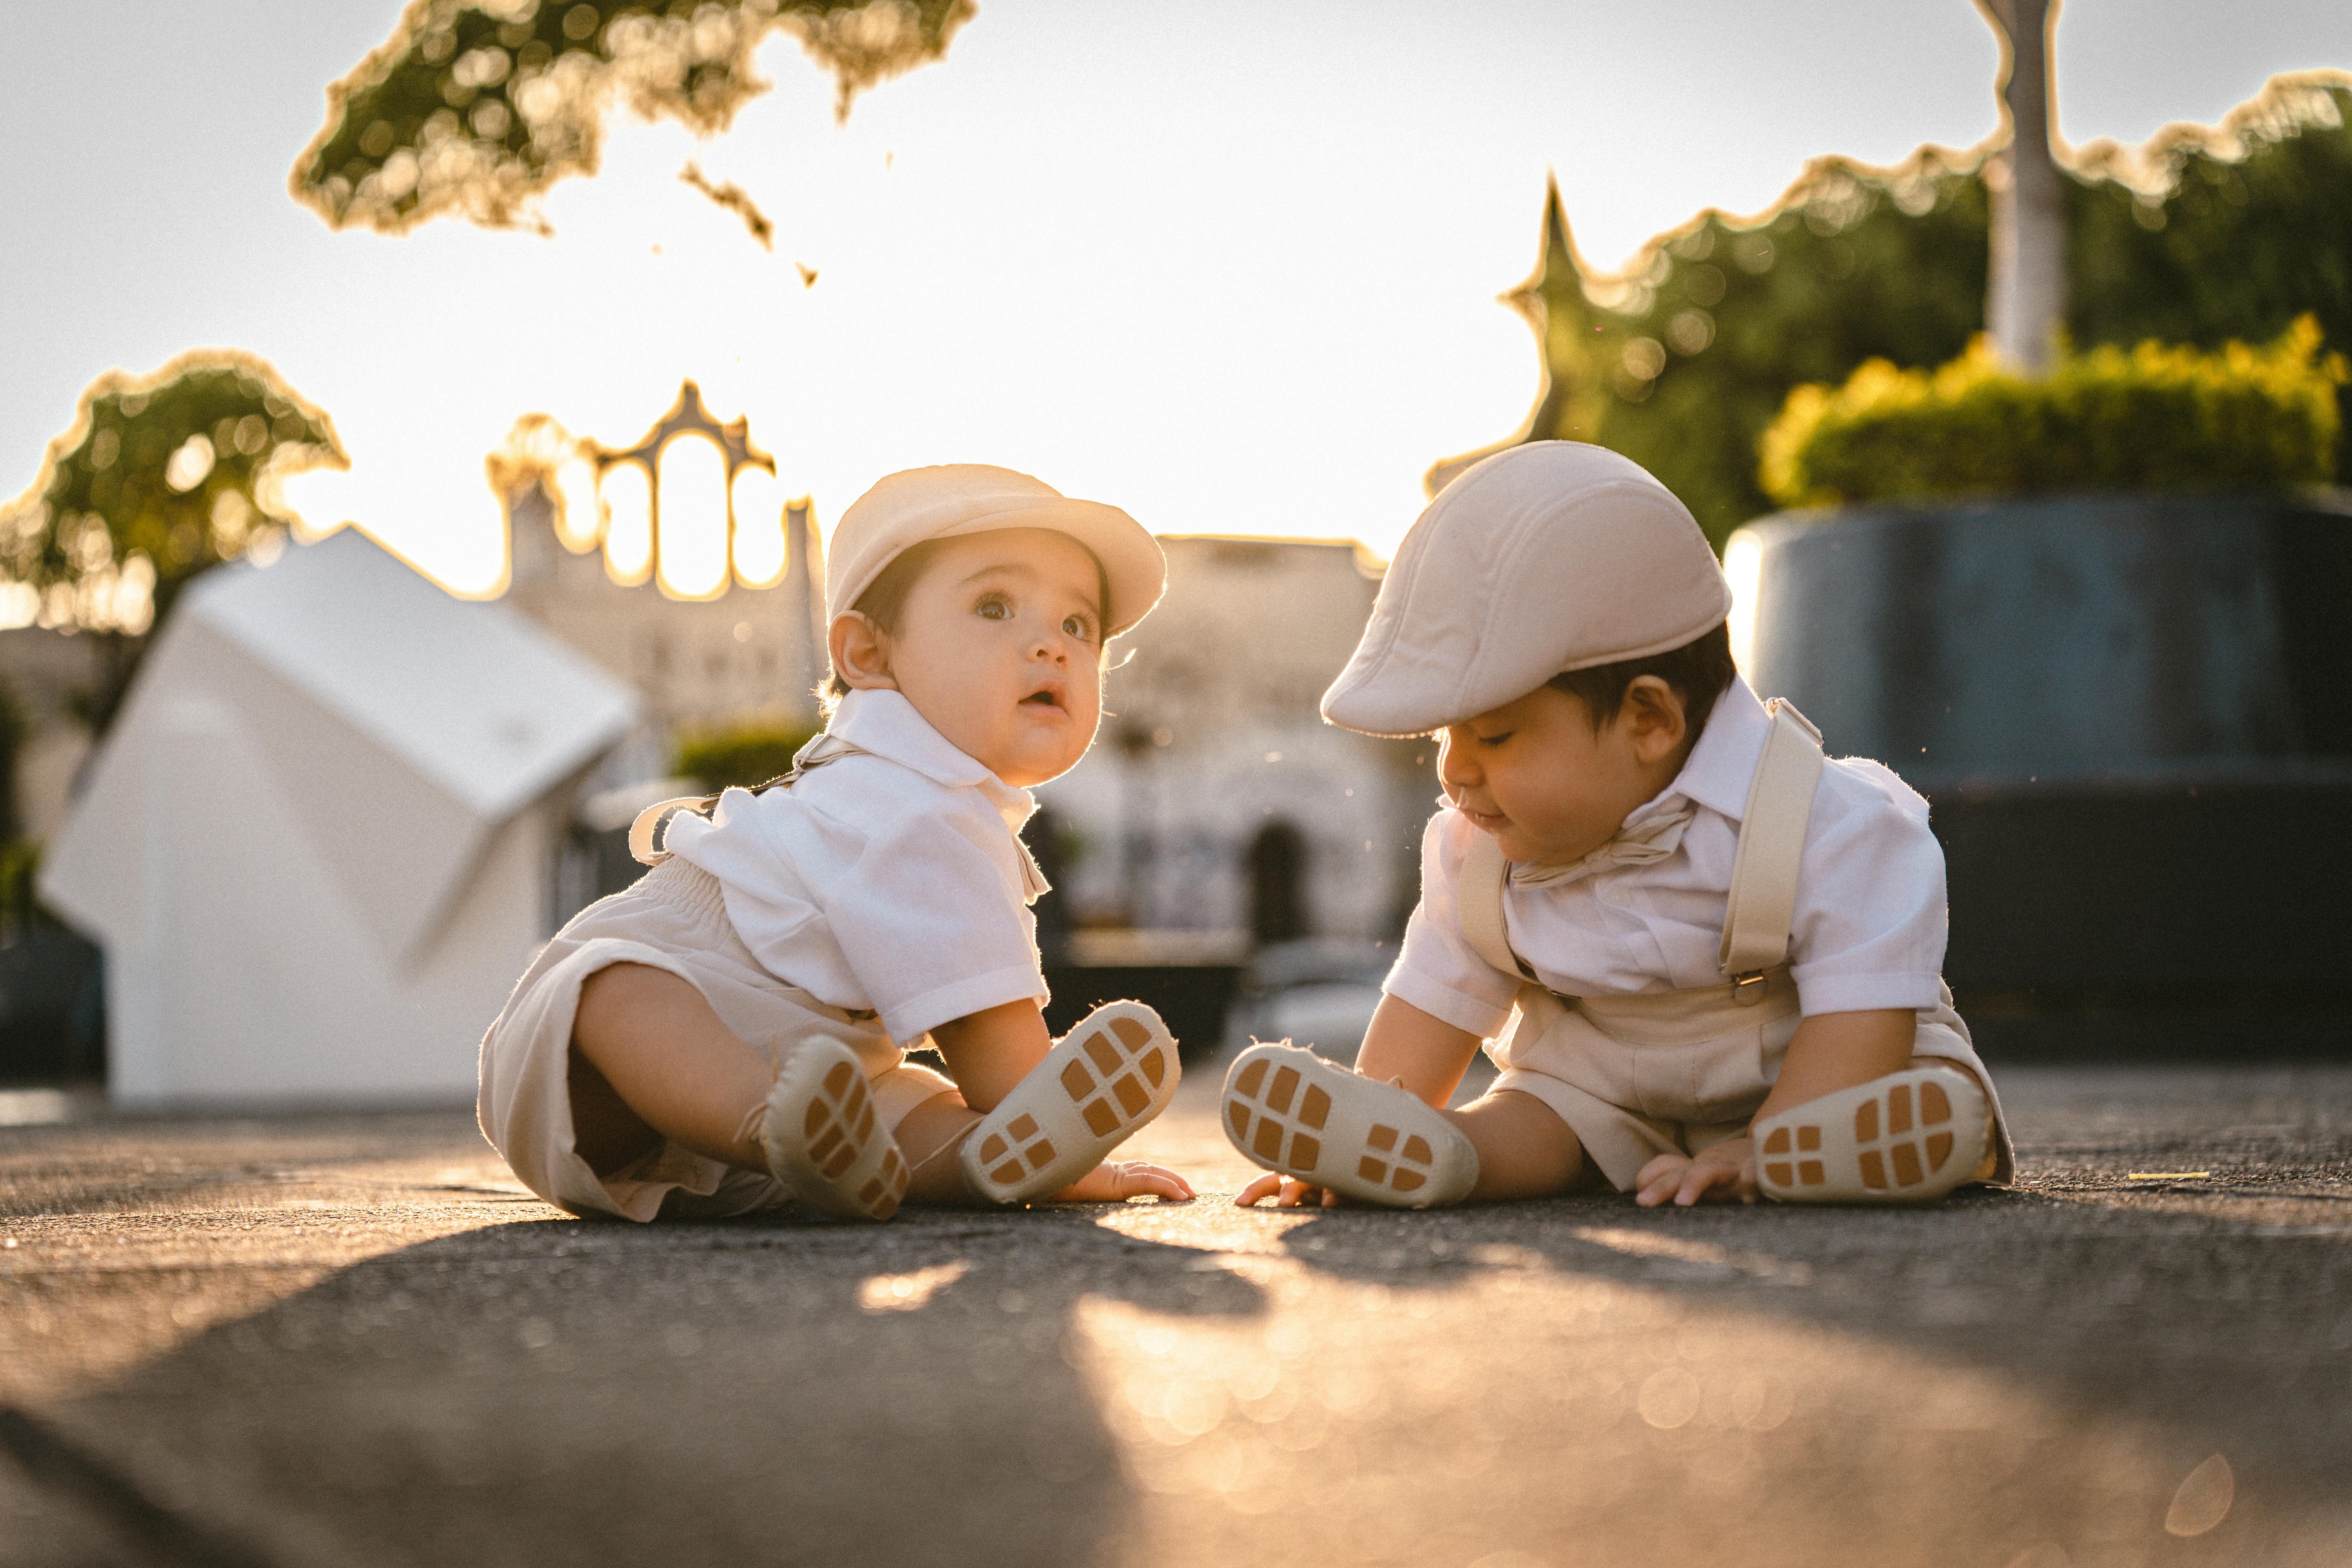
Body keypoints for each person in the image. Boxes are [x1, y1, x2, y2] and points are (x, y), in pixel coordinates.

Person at [1223, 441, 2013, 1211]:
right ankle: (1440, 1150)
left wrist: (1761, 1145)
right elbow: (1434, 999)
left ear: (1649, 718)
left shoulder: (1832, 822)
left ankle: (1857, 1148)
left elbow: (1860, 1016)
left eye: (1494, 736)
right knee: (1528, 1114)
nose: (1454, 770)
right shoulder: (1477, 851)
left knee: (1921, 1090)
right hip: (1602, 1091)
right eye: (1443, 736)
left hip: (1824, 1072)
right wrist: (1373, 1106)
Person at [480, 465, 1193, 1222]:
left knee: (903, 1108)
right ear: (869, 655)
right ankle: (782, 1125)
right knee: (617, 986)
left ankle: (959, 1155)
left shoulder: (944, 803)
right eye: (995, 605)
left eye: (1079, 626)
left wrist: (1035, 1130)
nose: (1051, 646)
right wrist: (1045, 1105)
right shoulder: (910, 800)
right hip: (599, 1059)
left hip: (801, 1074)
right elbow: (994, 1046)